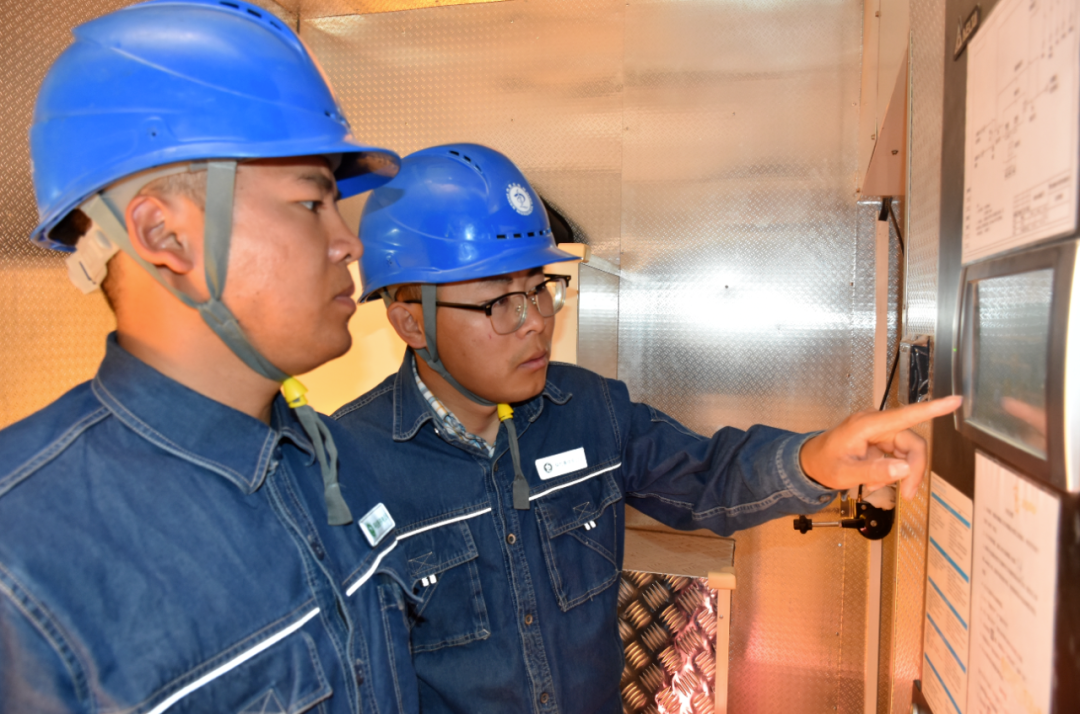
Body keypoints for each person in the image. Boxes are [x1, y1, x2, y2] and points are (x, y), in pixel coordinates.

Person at [332, 143, 963, 713]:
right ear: (411, 322)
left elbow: (707, 475)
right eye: (501, 300)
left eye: (541, 288)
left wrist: (815, 459)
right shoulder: (345, 471)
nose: (536, 320)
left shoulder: (589, 409)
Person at [0, 1, 419, 711]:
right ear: (164, 235)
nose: (349, 243)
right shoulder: (24, 564)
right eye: (311, 203)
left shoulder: (333, 459)